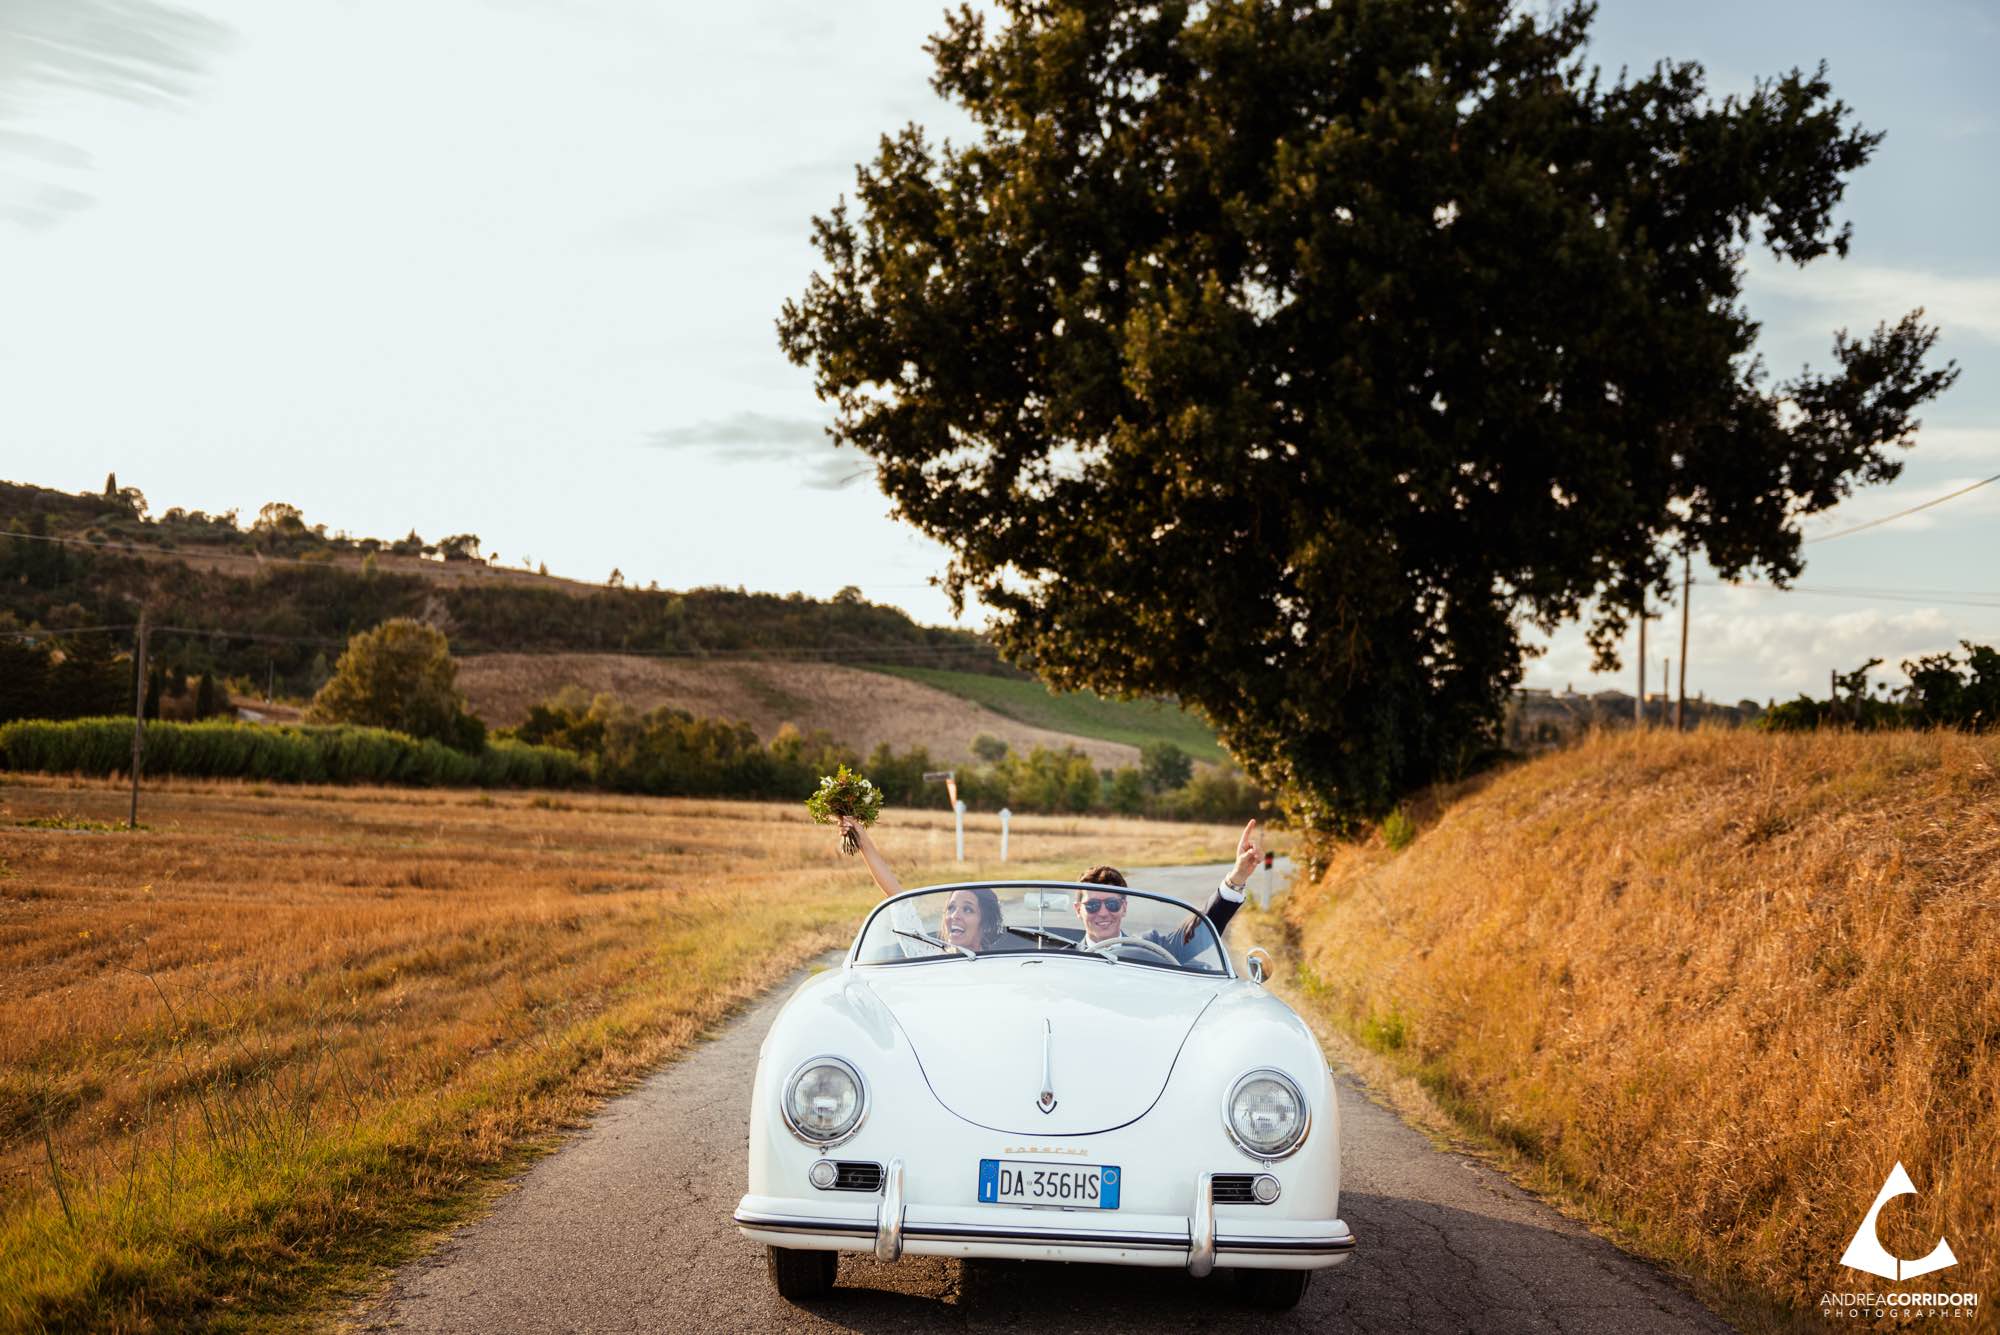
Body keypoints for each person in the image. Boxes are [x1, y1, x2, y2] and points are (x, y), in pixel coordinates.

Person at [1070, 818, 1262, 961]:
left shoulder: (1149, 949)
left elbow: (1197, 934)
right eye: (1093, 905)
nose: (1103, 913)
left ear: (1124, 907)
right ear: (1078, 910)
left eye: (1112, 904)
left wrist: (1237, 877)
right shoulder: (1060, 960)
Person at [839, 815, 1005, 953]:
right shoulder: (930, 957)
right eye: (951, 908)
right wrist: (862, 841)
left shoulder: (1004, 967)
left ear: (986, 922)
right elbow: (898, 898)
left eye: (968, 909)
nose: (954, 916)